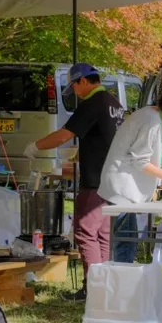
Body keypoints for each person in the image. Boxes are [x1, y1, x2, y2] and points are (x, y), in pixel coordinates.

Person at [24, 63, 125, 301]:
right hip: (114, 179)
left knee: (85, 232)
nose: (75, 93)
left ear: (83, 81)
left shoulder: (92, 103)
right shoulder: (115, 104)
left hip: (96, 180)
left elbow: (64, 134)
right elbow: (104, 139)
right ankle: (102, 286)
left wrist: (36, 146)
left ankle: (92, 289)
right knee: (102, 235)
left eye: (75, 87)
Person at [97, 85, 162, 263]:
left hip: (125, 187)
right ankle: (122, 284)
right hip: (122, 187)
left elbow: (154, 161)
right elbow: (141, 161)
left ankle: (123, 280)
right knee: (125, 242)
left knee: (127, 239)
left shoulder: (154, 117)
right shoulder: (151, 120)